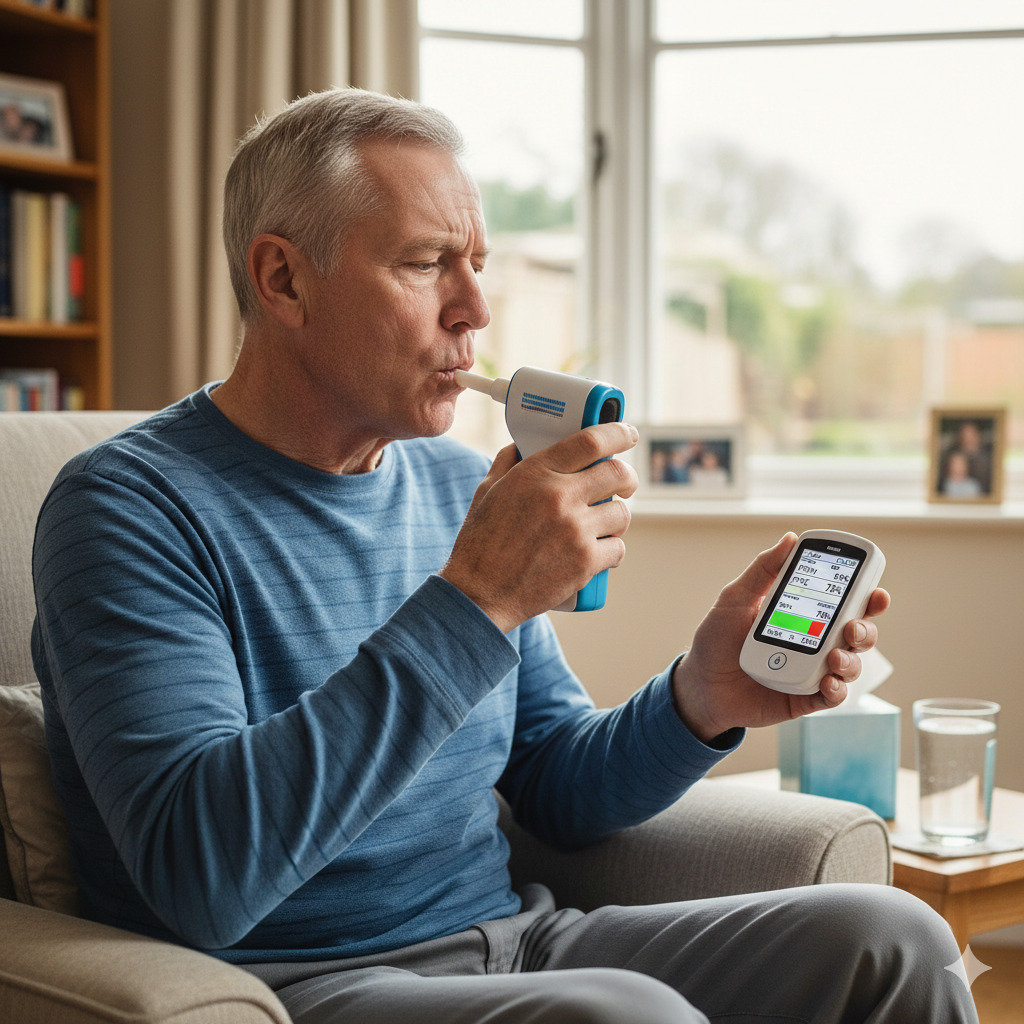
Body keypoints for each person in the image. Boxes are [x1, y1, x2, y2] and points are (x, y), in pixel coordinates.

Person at [31, 88, 976, 1024]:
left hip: (517, 945)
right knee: (625, 1014)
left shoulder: (455, 486)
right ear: (282, 280)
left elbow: (557, 784)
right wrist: (475, 598)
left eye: (477, 264)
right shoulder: (127, 508)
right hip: (296, 986)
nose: (475, 308)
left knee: (893, 939)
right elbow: (203, 874)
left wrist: (705, 694)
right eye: (426, 262)